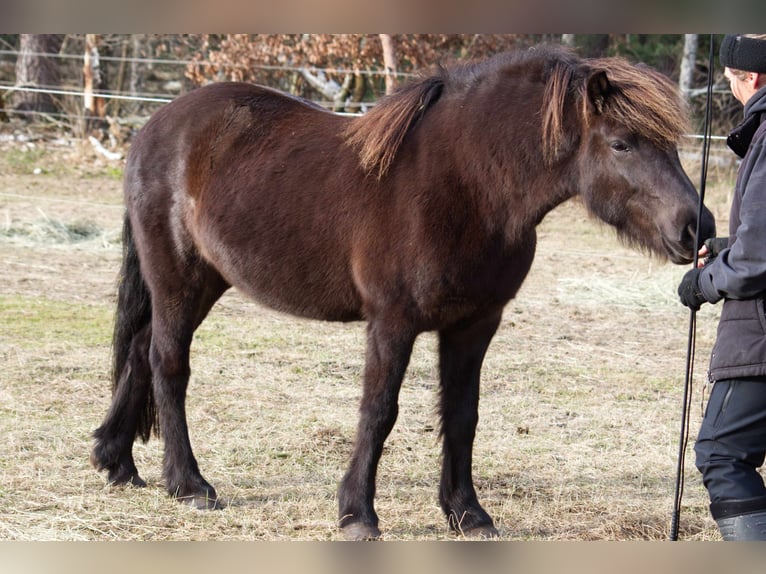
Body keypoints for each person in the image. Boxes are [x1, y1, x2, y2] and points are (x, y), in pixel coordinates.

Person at [677, 34, 766, 540]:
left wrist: (706, 281)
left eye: (730, 78)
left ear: (750, 78)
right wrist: (734, 244)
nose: (730, 86)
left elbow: (759, 260)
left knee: (722, 452)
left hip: (760, 335)